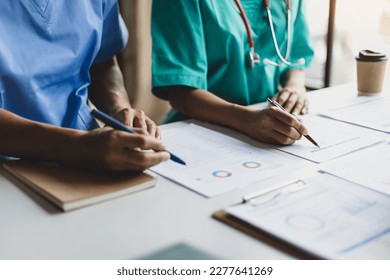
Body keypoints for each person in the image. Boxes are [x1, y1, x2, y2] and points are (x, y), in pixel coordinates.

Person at [0, 0, 169, 171]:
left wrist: (120, 110)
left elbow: (102, 63)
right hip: (10, 159)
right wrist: (73, 147)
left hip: (88, 148)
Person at [152, 0, 315, 145]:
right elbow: (180, 91)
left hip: (270, 126)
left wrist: (295, 86)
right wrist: (247, 120)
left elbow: (295, 56)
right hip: (201, 130)